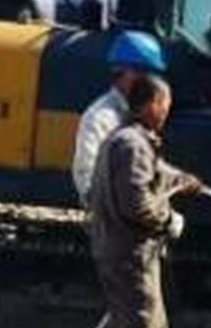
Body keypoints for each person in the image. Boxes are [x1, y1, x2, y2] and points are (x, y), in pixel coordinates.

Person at [86, 72, 202, 328]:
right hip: (130, 254)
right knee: (145, 327)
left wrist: (183, 181)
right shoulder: (133, 145)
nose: (167, 111)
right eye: (165, 104)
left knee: (136, 325)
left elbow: (153, 172)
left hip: (113, 248)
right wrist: (169, 220)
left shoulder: (123, 140)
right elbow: (136, 204)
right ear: (153, 104)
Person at [72, 30, 167, 206]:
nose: (151, 81)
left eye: (153, 75)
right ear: (124, 73)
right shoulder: (100, 118)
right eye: (145, 73)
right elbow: (86, 177)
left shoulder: (147, 114)